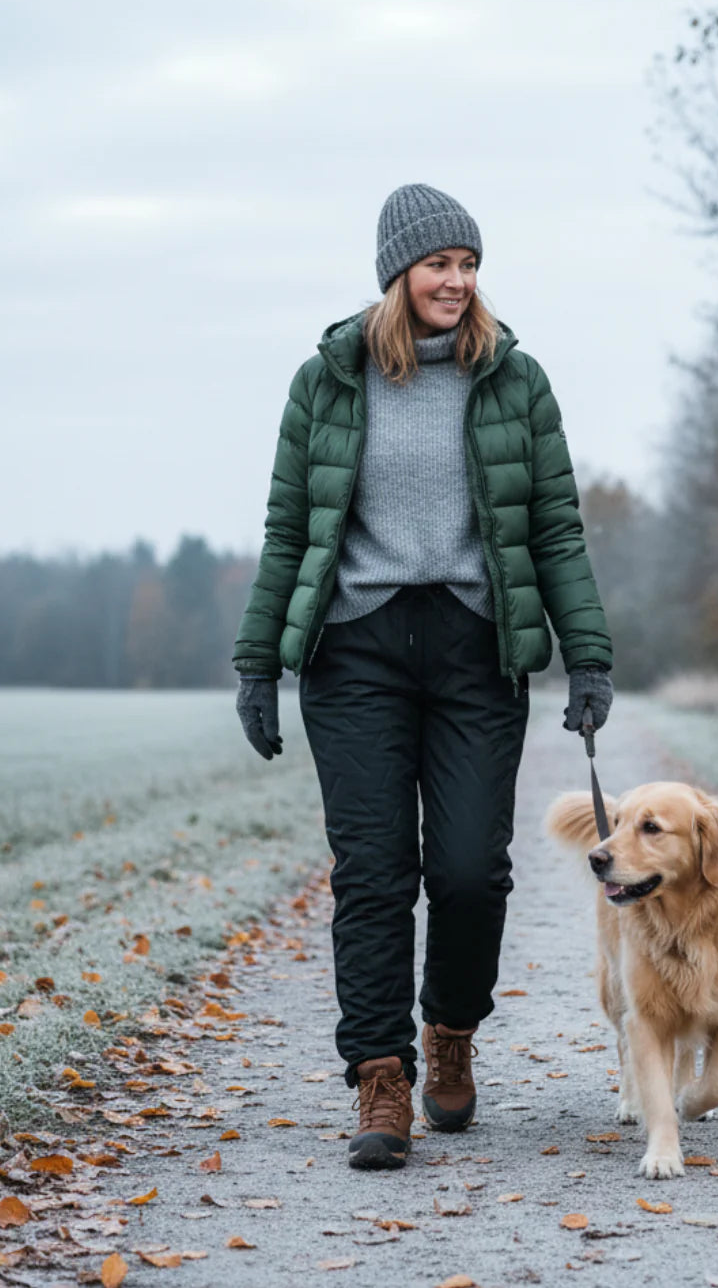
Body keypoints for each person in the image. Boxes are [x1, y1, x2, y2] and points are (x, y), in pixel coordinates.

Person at [233, 183, 613, 1171]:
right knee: (372, 873)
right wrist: (254, 663)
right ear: (396, 273)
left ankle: (449, 1028)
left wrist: (589, 653)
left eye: (469, 264)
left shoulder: (513, 380)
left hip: (475, 651)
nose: (457, 280)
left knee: (469, 871)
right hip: (353, 650)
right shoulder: (329, 380)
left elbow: (555, 529)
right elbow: (289, 530)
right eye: (440, 263)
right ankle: (380, 1074)